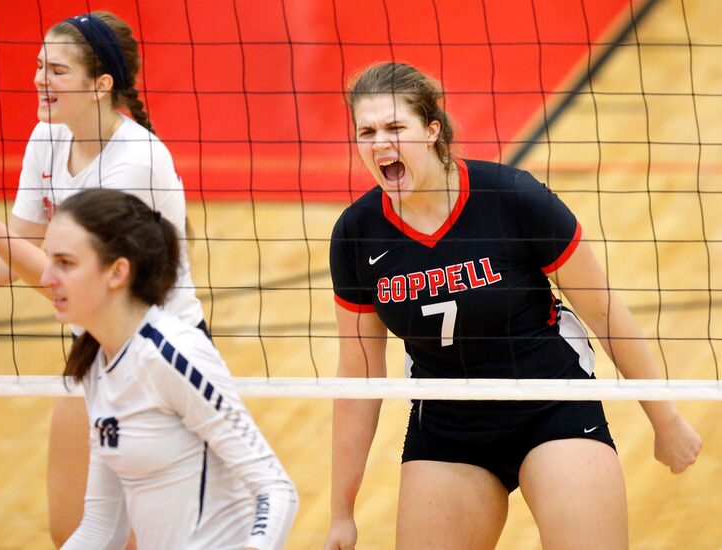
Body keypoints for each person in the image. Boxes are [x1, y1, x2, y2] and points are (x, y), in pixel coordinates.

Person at [323, 62, 702, 550]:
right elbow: (357, 376)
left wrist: (664, 419)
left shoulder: (510, 198)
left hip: (551, 406)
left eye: (396, 127)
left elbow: (606, 314)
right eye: (367, 132)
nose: (380, 144)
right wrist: (341, 512)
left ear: (432, 130)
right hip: (448, 428)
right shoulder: (357, 234)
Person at [0, 12, 205, 546]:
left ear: (101, 85)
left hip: (161, 363)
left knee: (144, 541)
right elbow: (21, 250)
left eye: (57, 70)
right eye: (40, 66)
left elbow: (63, 282)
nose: (40, 79)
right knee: (70, 532)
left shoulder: (134, 161)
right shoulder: (47, 139)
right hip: (96, 352)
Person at [39, 188, 298, 549]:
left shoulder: (172, 355)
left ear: (117, 272)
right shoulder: (97, 365)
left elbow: (276, 489)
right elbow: (101, 529)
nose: (46, 277)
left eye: (65, 263)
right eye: (48, 259)